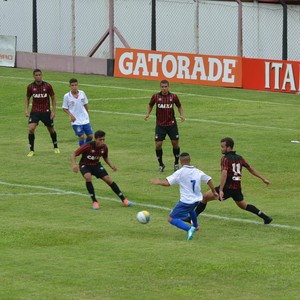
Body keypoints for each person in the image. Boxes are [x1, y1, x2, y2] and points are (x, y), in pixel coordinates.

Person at [193, 137, 273, 224]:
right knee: (243, 205)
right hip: (237, 188)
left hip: (227, 188)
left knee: (205, 197)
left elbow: (224, 173)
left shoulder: (225, 159)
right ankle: (266, 218)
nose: (221, 148)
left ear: (229, 147)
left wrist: (220, 190)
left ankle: (192, 219)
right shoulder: (240, 158)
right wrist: (263, 179)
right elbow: (251, 169)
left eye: (223, 147)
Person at [151, 152, 218, 240]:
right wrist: (214, 191)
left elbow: (168, 183)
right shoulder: (197, 171)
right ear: (190, 160)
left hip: (186, 201)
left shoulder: (180, 172)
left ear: (180, 162)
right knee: (191, 210)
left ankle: (189, 229)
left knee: (171, 219)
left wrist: (159, 182)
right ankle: (196, 225)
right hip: (197, 199)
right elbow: (208, 179)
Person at [70, 130, 133, 210]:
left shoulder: (104, 147)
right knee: (88, 177)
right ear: (95, 139)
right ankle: (95, 202)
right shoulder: (87, 146)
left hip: (96, 165)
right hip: (85, 165)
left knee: (108, 179)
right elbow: (73, 154)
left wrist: (111, 166)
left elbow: (105, 157)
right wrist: (74, 165)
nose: (102, 141)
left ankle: (124, 200)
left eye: (103, 139)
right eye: (100, 140)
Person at [144, 80, 184, 172]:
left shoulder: (173, 97)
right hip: (160, 125)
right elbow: (150, 105)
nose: (164, 88)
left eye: (165, 87)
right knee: (158, 145)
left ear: (168, 87)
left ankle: (176, 163)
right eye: (162, 87)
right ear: (160, 87)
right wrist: (147, 114)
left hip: (171, 125)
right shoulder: (155, 96)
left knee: (175, 144)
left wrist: (181, 115)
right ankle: (161, 164)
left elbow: (179, 106)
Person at [25, 69, 60, 157]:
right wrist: (26, 109)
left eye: (39, 75)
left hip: (46, 112)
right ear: (33, 76)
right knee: (31, 129)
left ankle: (55, 147)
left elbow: (53, 97)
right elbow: (27, 98)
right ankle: (31, 150)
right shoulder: (30, 87)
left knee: (51, 129)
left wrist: (53, 111)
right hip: (35, 112)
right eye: (36, 75)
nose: (38, 76)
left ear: (42, 75)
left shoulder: (47, 86)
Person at [62, 78, 93, 146]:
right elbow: (64, 108)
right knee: (81, 136)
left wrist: (87, 113)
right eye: (72, 85)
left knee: (90, 136)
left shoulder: (82, 93)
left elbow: (85, 104)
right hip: (75, 121)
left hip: (85, 119)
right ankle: (82, 151)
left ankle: (84, 147)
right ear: (70, 86)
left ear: (78, 85)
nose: (74, 87)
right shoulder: (67, 96)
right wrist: (71, 115)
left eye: (76, 85)